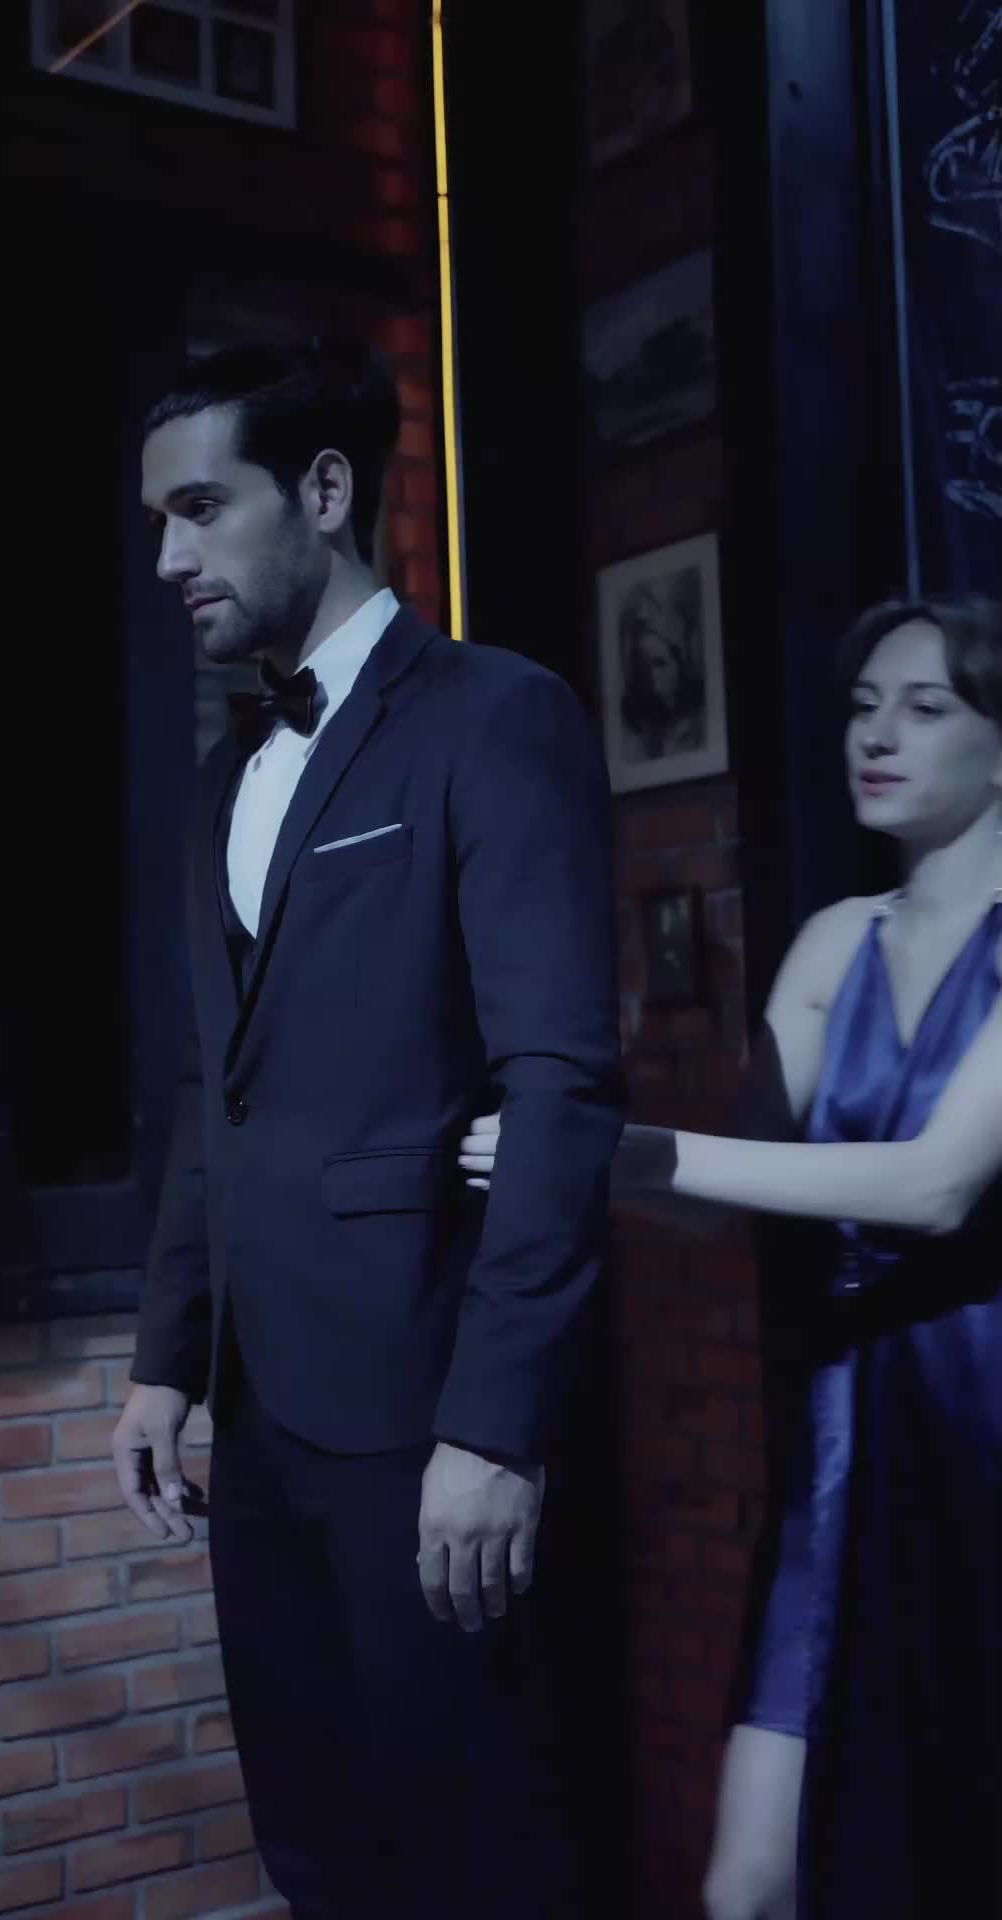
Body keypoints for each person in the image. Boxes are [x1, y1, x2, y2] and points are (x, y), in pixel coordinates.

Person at [111, 338, 625, 1920]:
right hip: (258, 1412)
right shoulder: (223, 778)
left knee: (475, 1859)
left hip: (425, 1411)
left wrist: (497, 1429)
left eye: (201, 508)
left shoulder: (494, 716)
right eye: (157, 520)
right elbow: (213, 1086)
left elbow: (562, 1086)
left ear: (324, 491)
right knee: (318, 1854)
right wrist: (164, 1358)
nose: (168, 558)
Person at [460, 596, 1002, 1919]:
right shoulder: (835, 941)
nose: (876, 736)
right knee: (747, 1885)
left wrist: (627, 1152)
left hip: (986, 1431)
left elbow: (932, 1187)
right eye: (862, 707)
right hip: (845, 1437)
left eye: (924, 707)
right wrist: (560, 1159)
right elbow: (725, 1197)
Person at [618, 577, 705, 759]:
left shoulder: (701, 726)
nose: (654, 684)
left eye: (660, 664)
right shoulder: (636, 740)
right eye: (644, 669)